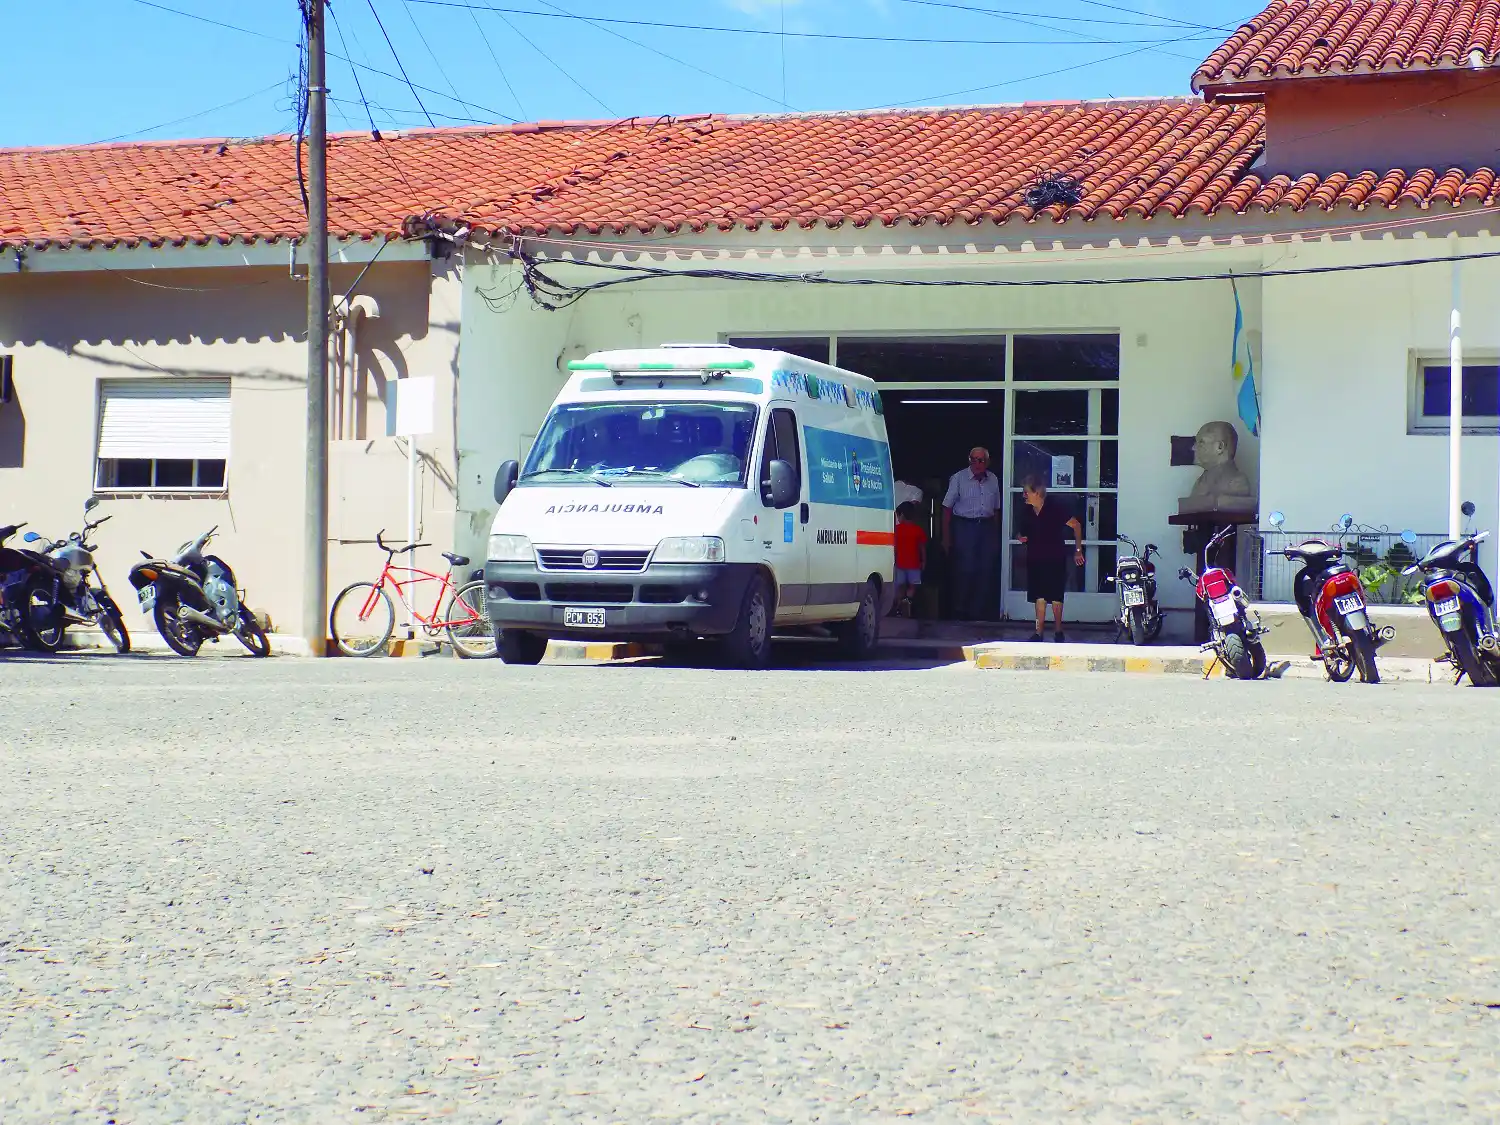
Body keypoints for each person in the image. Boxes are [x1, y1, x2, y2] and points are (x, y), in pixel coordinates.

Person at [1017, 475, 1084, 642]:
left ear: (1037, 492)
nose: (1024, 496)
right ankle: (1038, 632)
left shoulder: (1055, 507)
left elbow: (1076, 525)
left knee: (1055, 595)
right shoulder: (1027, 511)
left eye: (1027, 492)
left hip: (1055, 556)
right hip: (1034, 556)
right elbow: (1021, 532)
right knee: (1038, 595)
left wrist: (1078, 550)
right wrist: (1020, 537)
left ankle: (1058, 630)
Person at [941, 447, 1001, 620]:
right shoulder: (959, 478)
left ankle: (978, 611)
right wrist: (946, 538)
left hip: (987, 527)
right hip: (964, 526)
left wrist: (996, 536)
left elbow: (996, 510)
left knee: (986, 569)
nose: (977, 464)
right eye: (973, 460)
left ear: (987, 462)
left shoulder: (993, 479)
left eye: (981, 460)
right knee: (965, 568)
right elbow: (946, 509)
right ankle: (960, 610)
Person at [892, 501, 928, 617]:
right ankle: (908, 600)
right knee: (913, 586)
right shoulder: (918, 530)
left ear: (901, 514)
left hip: (900, 564)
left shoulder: (896, 530)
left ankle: (898, 608)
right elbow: (922, 548)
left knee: (899, 587)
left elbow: (894, 548)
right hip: (914, 565)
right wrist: (924, 561)